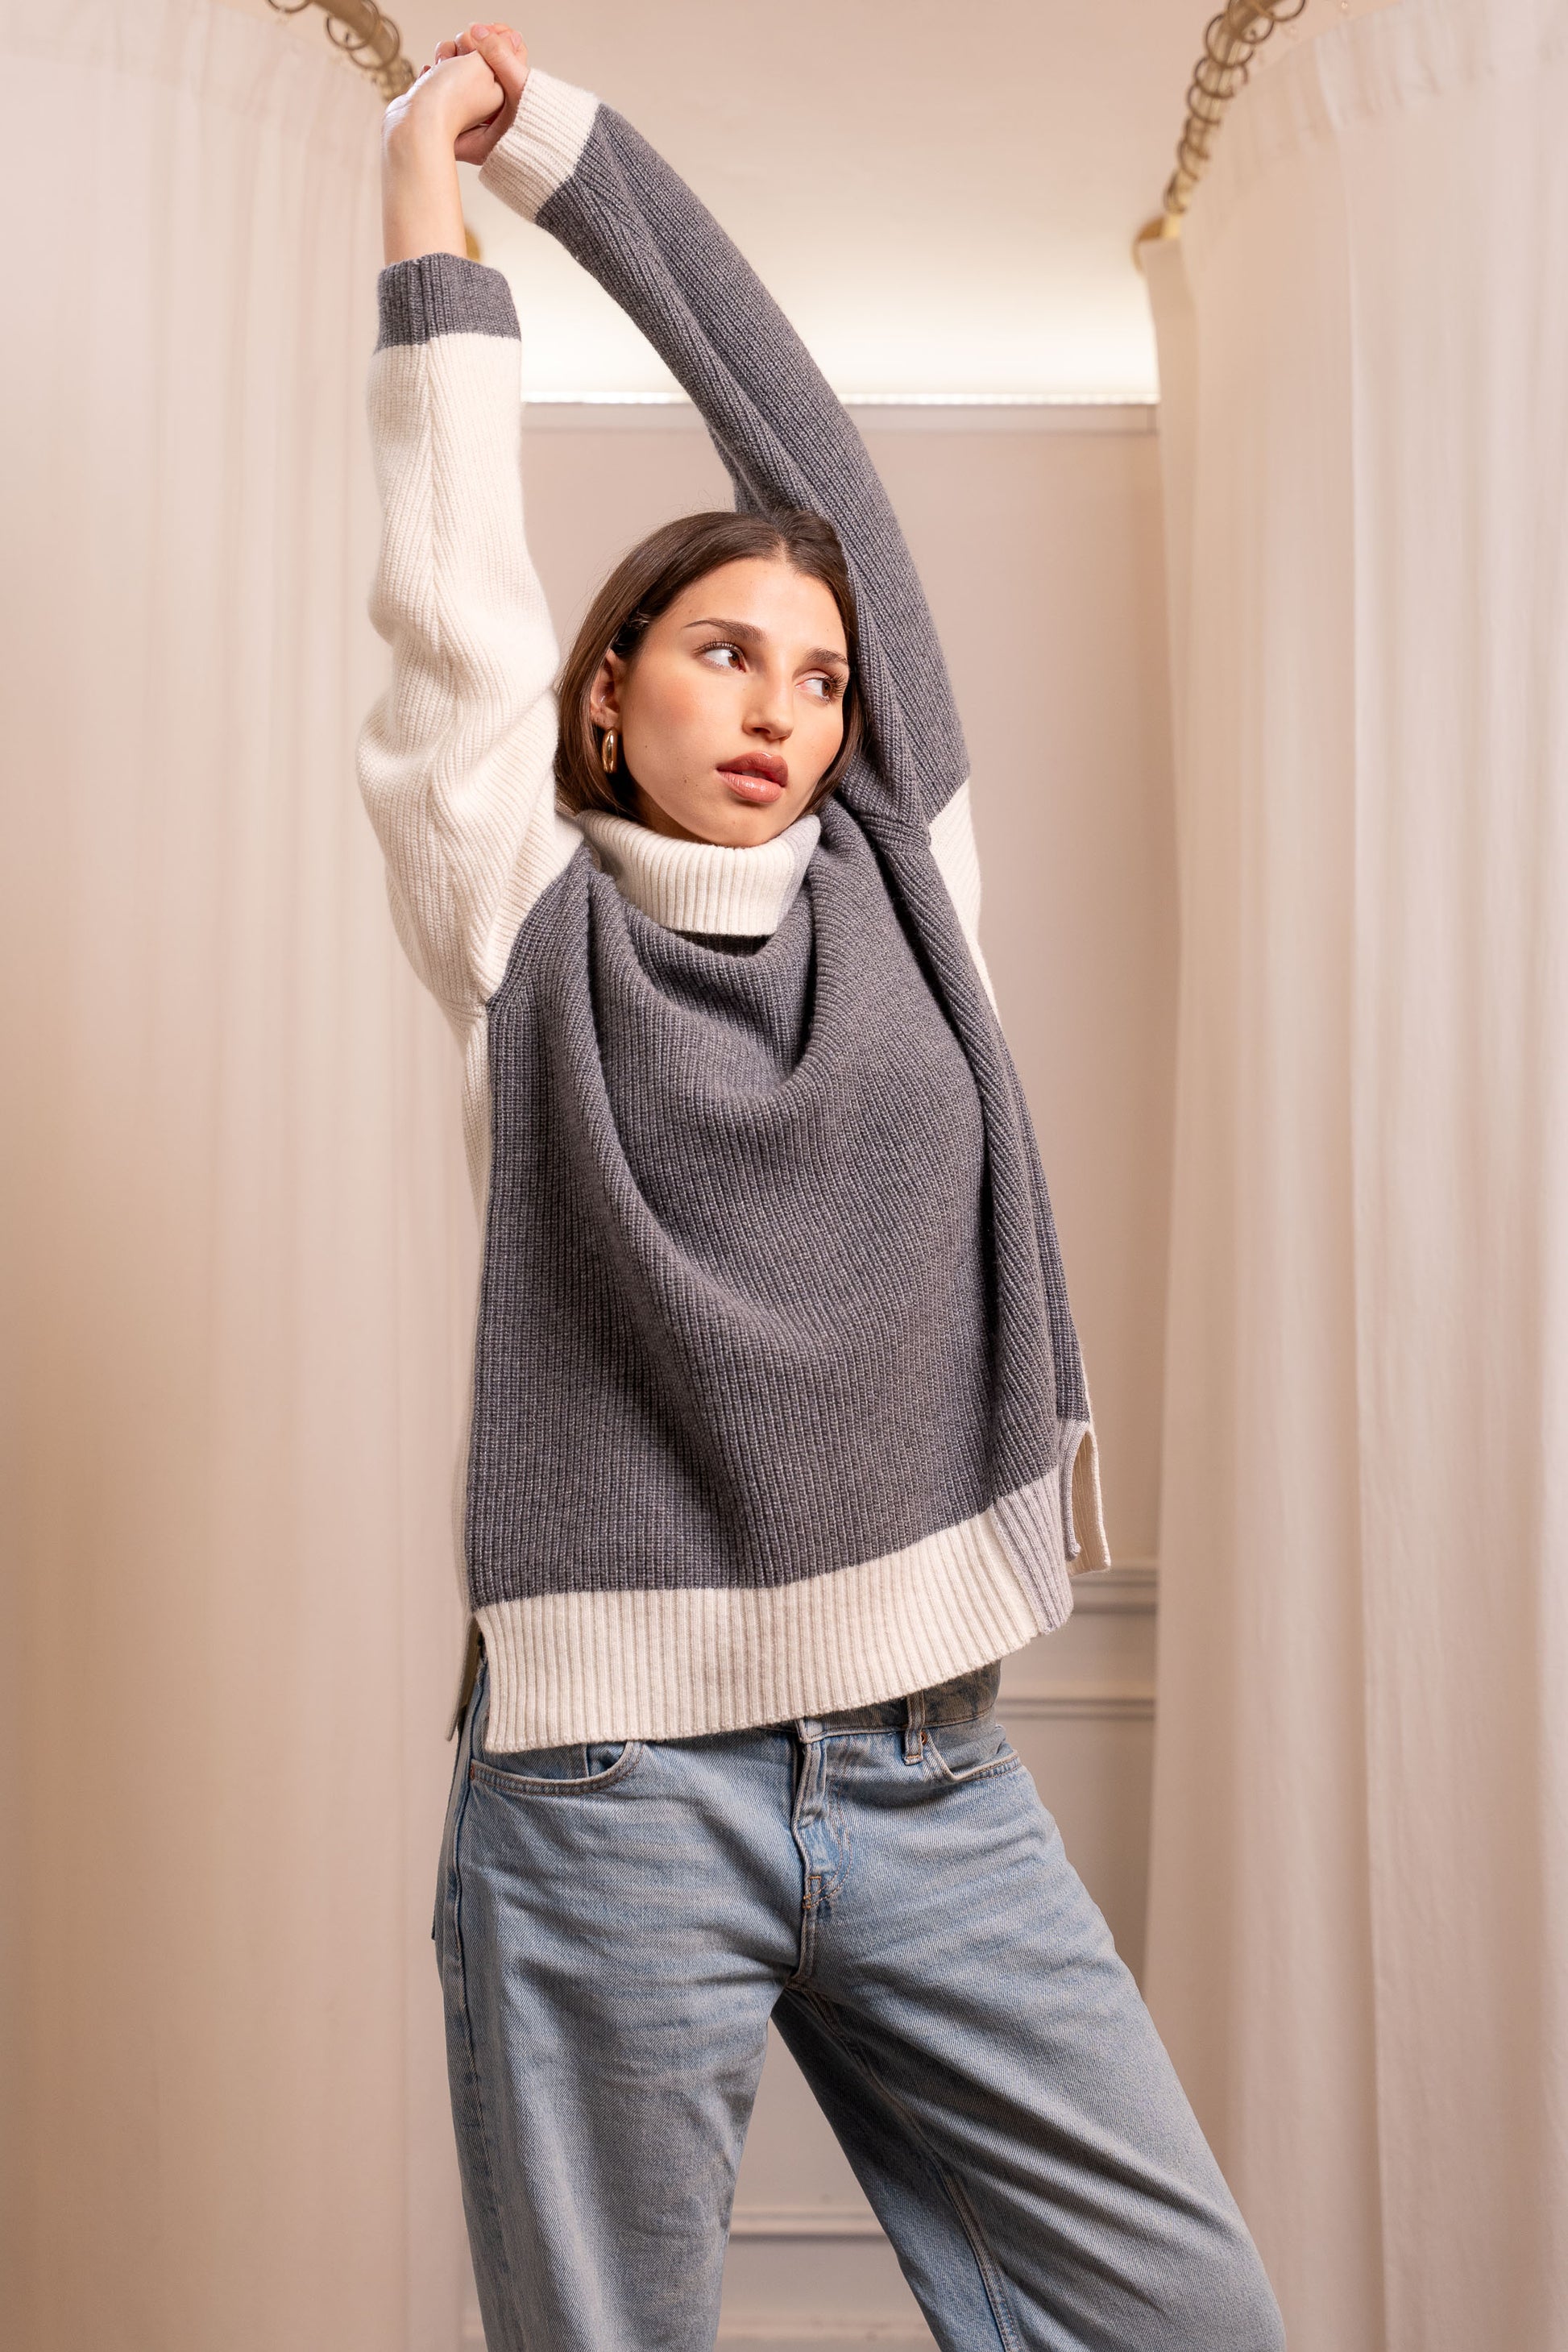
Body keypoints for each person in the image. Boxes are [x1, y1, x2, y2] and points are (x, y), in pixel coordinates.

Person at [361, 23, 1287, 2350]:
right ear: (605, 698)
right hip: (609, 1791)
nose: (783, 703)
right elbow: (451, 584)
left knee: (1187, 2317)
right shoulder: (517, 913)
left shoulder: (909, 896)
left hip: (925, 1763)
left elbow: (819, 466)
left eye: (821, 675)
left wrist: (587, 159)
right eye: (721, 652)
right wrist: (434, 203)